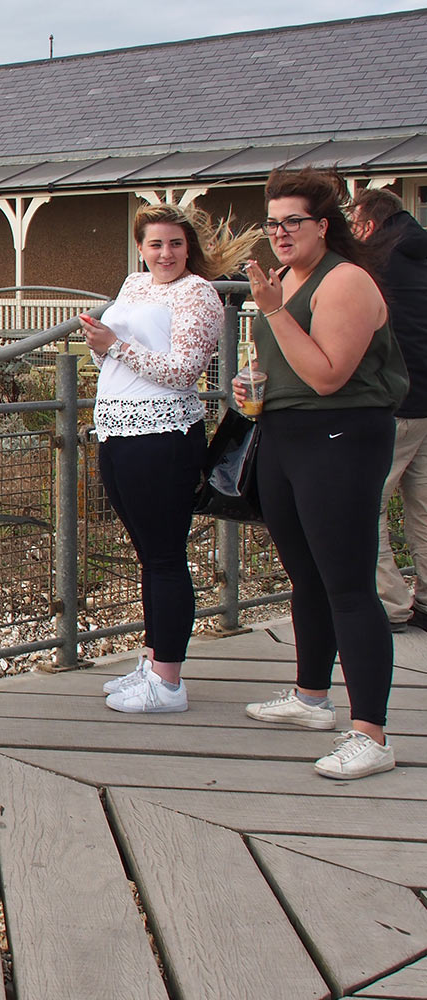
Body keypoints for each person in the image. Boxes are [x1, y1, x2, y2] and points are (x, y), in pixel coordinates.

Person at [235, 167, 408, 779]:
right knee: (304, 574)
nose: (279, 233)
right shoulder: (285, 279)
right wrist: (251, 385)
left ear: (323, 226)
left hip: (342, 436)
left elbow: (330, 374)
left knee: (349, 586)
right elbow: (284, 362)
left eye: (292, 222)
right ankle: (312, 698)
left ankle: (372, 734)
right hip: (285, 432)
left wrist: (275, 313)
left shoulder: (347, 281)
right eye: (272, 223)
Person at [82, 204, 259, 714]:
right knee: (147, 553)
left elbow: (185, 371)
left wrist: (115, 345)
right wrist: (102, 344)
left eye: (175, 244)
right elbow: (107, 357)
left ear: (190, 248)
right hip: (117, 428)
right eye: (156, 244)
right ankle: (156, 660)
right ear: (140, 247)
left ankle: (170, 682)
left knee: (164, 556)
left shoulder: (199, 293)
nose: (165, 254)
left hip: (164, 434)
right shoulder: (133, 285)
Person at [351, 189, 427, 632]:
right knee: (423, 507)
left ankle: (390, 604)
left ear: (368, 223)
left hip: (395, 401)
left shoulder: (375, 263)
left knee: (368, 505)